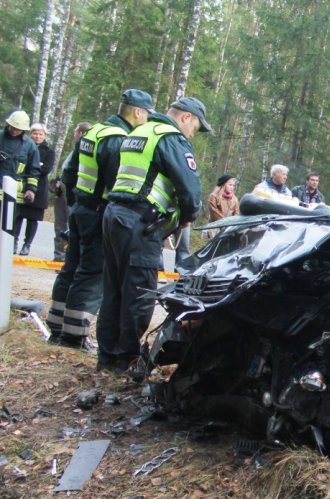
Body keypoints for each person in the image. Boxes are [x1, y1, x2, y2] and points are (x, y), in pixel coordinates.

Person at [97, 96, 209, 375]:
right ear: (185, 117)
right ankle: (128, 359)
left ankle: (107, 357)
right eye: (195, 126)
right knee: (139, 293)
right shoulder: (170, 137)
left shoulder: (140, 131)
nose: (193, 133)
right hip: (140, 223)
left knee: (114, 290)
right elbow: (190, 188)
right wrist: (187, 217)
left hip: (115, 214)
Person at [47, 90, 152, 352]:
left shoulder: (94, 132)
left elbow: (69, 174)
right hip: (97, 213)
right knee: (92, 273)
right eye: (146, 114)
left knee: (71, 267)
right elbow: (119, 183)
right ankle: (74, 335)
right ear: (138, 112)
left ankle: (57, 327)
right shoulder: (119, 140)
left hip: (80, 209)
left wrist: (75, 205)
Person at [10, 124, 55, 256]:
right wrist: (35, 166)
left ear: (45, 136)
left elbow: (46, 169)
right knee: (17, 216)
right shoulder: (23, 147)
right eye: (35, 133)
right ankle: (13, 242)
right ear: (31, 134)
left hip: (39, 189)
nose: (38, 136)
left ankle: (27, 245)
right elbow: (18, 164)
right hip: (23, 185)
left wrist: (33, 167)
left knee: (32, 219)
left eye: (41, 134)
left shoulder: (49, 152)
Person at [0, 111, 40, 255]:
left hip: (14, 192)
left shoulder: (29, 145)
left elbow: (33, 169)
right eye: (12, 127)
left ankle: (7, 249)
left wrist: (31, 189)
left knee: (10, 222)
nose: (14, 131)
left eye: (18, 129)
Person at [51, 122, 92, 261]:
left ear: (80, 133)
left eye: (75, 132)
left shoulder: (84, 149)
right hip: (67, 189)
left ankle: (66, 257)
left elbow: (70, 171)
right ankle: (61, 256)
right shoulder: (77, 149)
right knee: (64, 224)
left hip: (73, 190)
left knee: (67, 224)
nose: (74, 134)